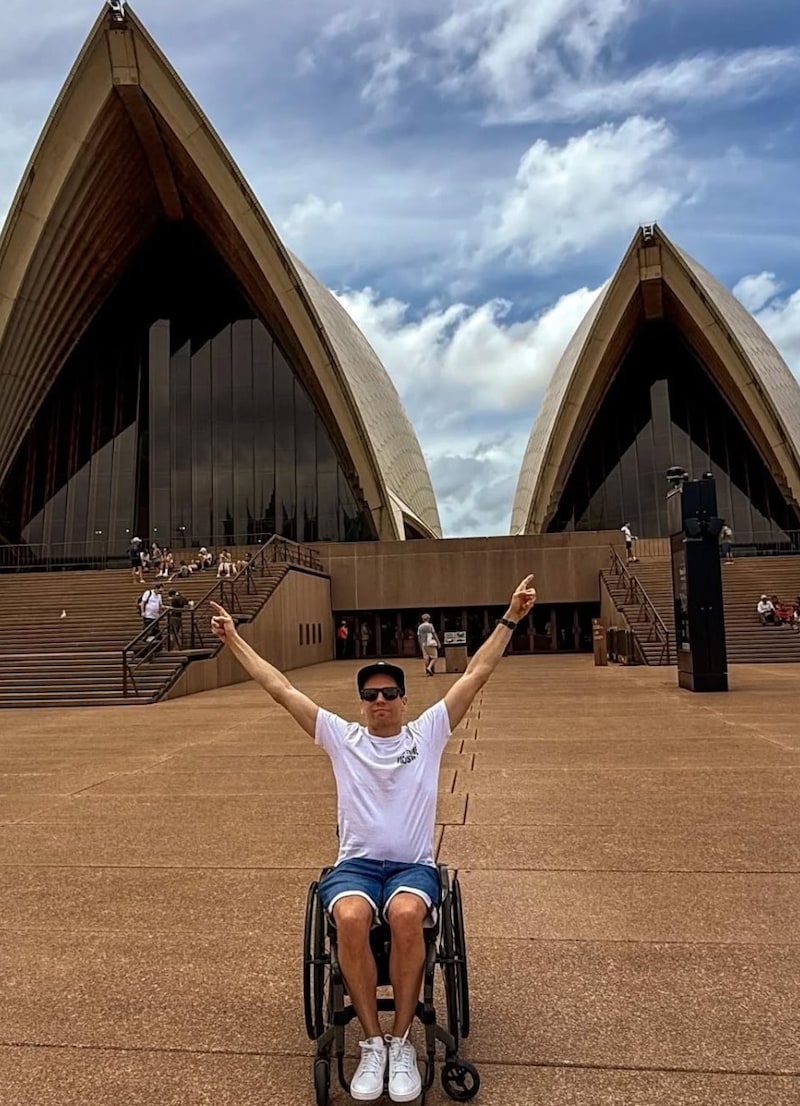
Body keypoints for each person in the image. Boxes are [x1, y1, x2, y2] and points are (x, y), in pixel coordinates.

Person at [208, 575, 536, 1104]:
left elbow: (476, 673)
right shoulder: (343, 738)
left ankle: (402, 1040)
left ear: (404, 701)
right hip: (356, 866)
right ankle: (372, 1042)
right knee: (351, 919)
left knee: (407, 916)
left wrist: (512, 618)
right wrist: (234, 640)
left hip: (411, 866)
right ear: (361, 703)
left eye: (388, 693)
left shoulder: (427, 733)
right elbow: (281, 689)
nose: (379, 700)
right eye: (370, 694)